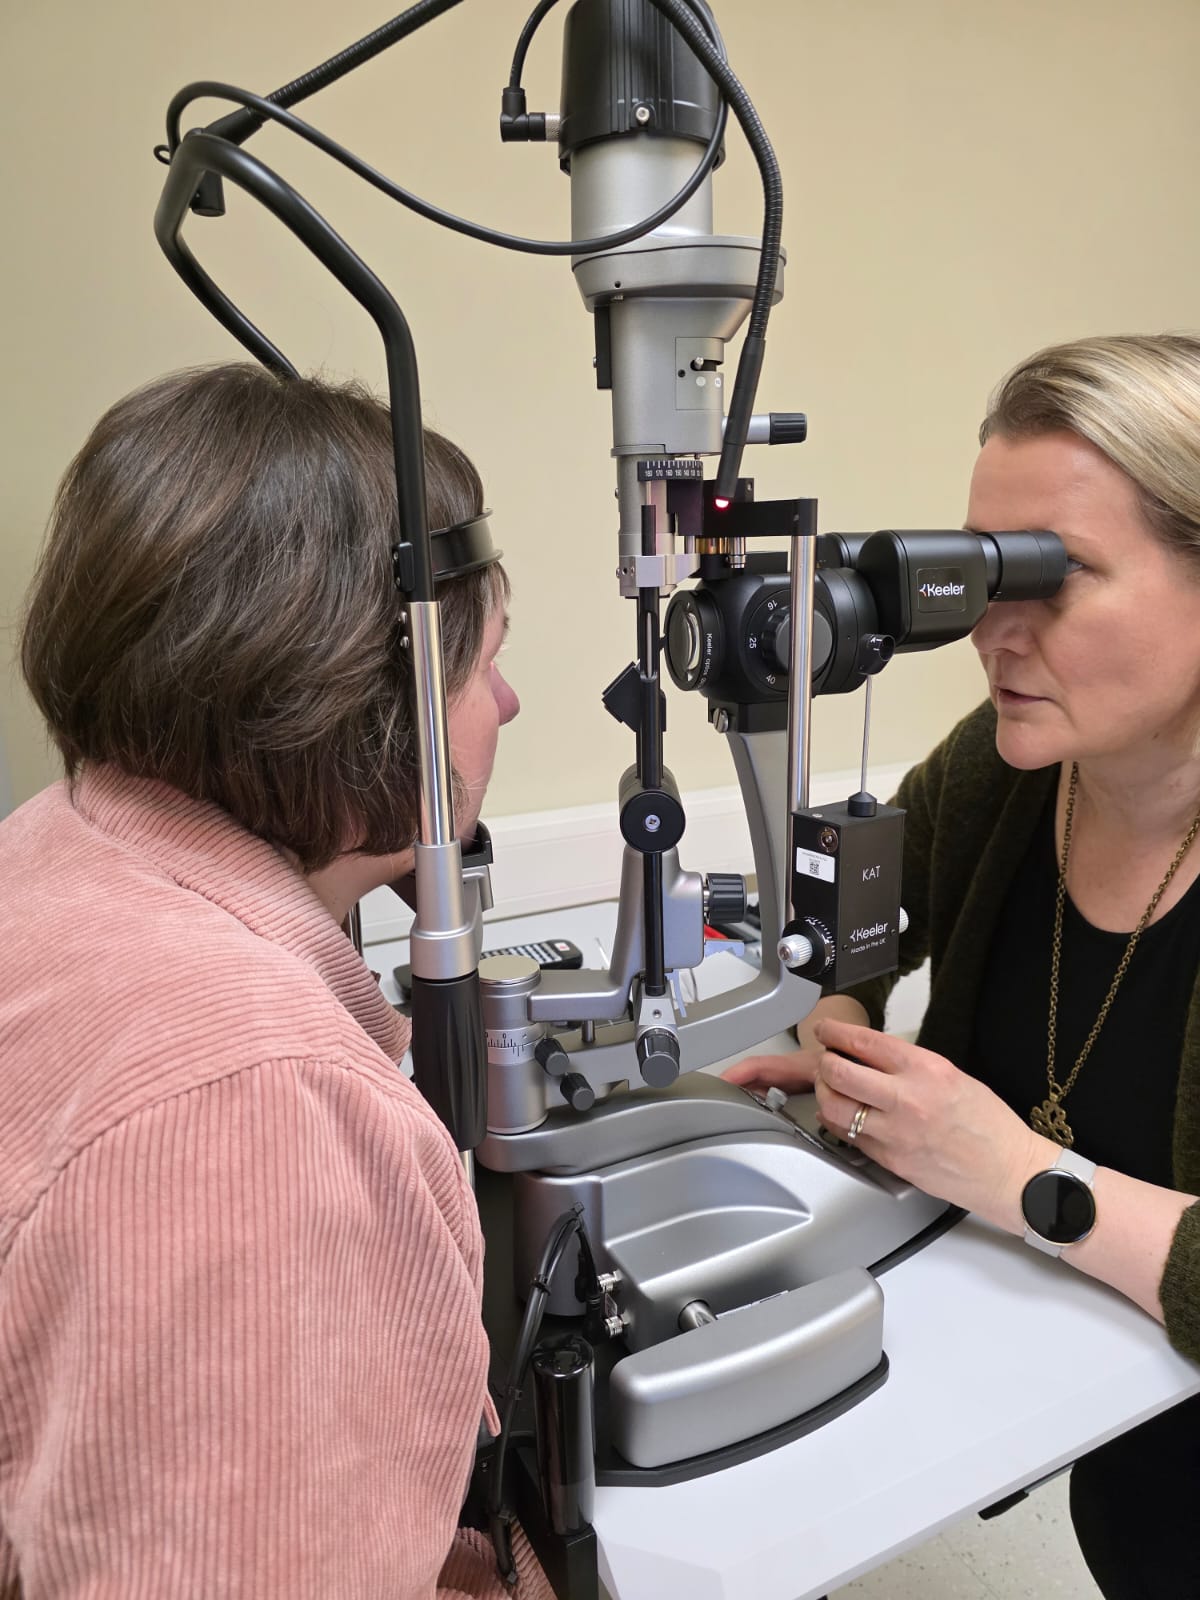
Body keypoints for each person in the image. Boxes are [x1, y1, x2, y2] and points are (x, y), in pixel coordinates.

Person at [0, 363, 549, 1598]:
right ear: (371, 696)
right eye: (480, 662)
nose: (507, 700)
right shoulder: (252, 1102)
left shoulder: (60, 842)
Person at [728, 332, 1200, 1598]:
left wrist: (1022, 1174)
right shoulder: (1006, 772)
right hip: (1124, 1466)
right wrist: (839, 1027)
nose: (996, 626)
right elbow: (865, 936)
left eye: (1054, 573)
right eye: (985, 570)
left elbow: (1018, 1167)